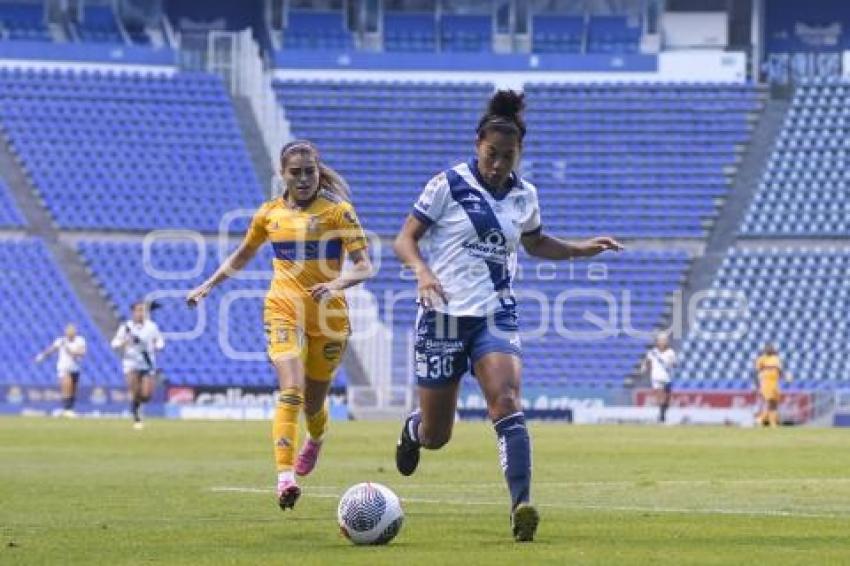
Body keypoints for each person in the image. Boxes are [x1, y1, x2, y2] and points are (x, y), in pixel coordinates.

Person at [393, 90, 622, 542]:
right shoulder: (448, 185)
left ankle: (521, 506)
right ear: (478, 144)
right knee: (438, 435)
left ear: (520, 154)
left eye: (508, 157)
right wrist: (421, 271)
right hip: (441, 317)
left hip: (494, 315)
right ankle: (413, 428)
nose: (498, 165)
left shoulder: (525, 196)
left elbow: (536, 243)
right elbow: (404, 239)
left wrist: (581, 249)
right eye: (492, 154)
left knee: (508, 402)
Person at [186, 140, 373, 511]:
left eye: (310, 171)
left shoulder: (339, 213)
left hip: (329, 316)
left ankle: (316, 438)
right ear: (282, 174)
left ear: (319, 171)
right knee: (292, 389)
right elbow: (242, 255)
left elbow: (365, 266)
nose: (303, 179)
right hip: (282, 309)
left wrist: (334, 284)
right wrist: (209, 283)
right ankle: (284, 478)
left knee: (315, 405)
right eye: (295, 172)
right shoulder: (269, 214)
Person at [111, 301, 165, 430]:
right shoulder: (126, 327)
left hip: (147, 362)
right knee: (134, 390)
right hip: (131, 363)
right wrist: (125, 341)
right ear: (133, 312)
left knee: (146, 394)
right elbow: (114, 343)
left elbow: (160, 341)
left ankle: (139, 406)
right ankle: (137, 417)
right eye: (138, 310)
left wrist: (158, 346)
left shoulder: (152, 326)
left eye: (143, 311)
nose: (140, 313)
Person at [34, 323, 87, 418]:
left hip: (75, 367)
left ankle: (70, 409)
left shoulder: (80, 340)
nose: (70, 334)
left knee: (73, 389)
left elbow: (82, 353)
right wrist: (42, 356)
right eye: (68, 332)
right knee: (67, 386)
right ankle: (67, 409)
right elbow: (52, 349)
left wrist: (70, 351)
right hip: (64, 367)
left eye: (72, 332)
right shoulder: (61, 341)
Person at [641, 332, 677, 423]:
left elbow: (675, 364)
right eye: (661, 340)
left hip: (667, 377)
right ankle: (661, 416)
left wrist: (672, 364)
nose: (662, 342)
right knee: (660, 395)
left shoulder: (671, 352)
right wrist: (644, 367)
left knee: (667, 398)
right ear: (657, 342)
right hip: (656, 377)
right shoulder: (652, 352)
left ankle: (662, 414)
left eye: (664, 340)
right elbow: (647, 361)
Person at [754, 344, 789, 427]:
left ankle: (762, 419)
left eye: (771, 348)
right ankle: (771, 423)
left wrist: (786, 377)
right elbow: (756, 372)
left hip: (775, 383)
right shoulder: (761, 359)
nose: (770, 349)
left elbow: (780, 370)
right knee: (770, 401)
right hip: (766, 382)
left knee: (775, 403)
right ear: (765, 350)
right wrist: (756, 384)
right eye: (768, 348)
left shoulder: (776, 359)